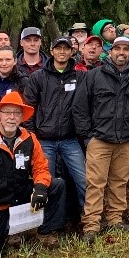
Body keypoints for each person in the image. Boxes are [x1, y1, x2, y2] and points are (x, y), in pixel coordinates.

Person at [0, 91, 65, 258]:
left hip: (19, 196)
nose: (12, 117)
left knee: (57, 185)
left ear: (22, 117)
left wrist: (40, 188)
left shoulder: (29, 138)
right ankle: (6, 233)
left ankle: (46, 232)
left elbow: (41, 168)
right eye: (7, 113)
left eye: (16, 113)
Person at [72, 36, 129, 239]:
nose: (122, 53)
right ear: (110, 51)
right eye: (118, 48)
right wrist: (88, 137)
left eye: (126, 49)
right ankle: (91, 225)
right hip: (100, 139)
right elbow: (80, 108)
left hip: (127, 140)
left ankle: (115, 220)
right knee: (95, 183)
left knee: (119, 182)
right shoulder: (94, 76)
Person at [23, 35, 86, 220]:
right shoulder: (38, 77)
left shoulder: (80, 76)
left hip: (70, 139)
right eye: (58, 48)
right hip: (44, 139)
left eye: (66, 48)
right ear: (51, 51)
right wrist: (32, 136)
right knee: (45, 182)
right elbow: (29, 109)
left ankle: (89, 217)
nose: (62, 52)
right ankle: (47, 222)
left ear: (72, 51)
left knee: (84, 180)